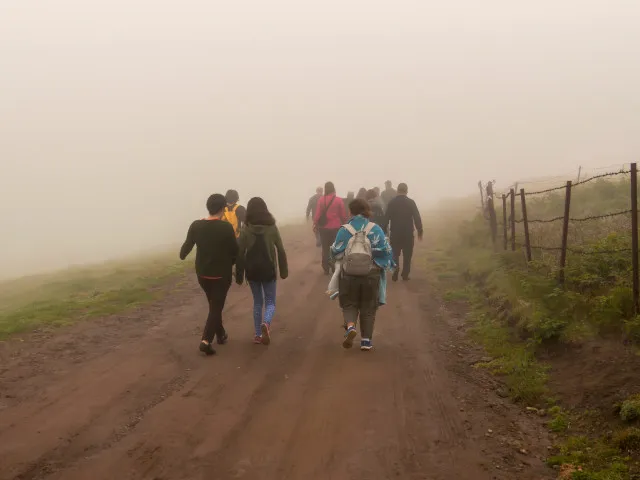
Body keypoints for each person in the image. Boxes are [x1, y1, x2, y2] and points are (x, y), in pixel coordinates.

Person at [330, 198, 395, 351]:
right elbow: (386, 251)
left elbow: (335, 251)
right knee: (368, 306)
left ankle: (351, 327)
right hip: (371, 274)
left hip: (349, 274)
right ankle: (366, 341)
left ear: (350, 211)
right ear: (367, 211)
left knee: (349, 303)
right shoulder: (376, 229)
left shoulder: (345, 229)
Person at [180, 194, 239, 355]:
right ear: (222, 208)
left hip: (202, 274)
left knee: (214, 306)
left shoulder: (196, 225)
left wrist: (184, 254)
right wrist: (232, 263)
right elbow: (235, 251)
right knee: (216, 307)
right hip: (221, 275)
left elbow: (184, 250)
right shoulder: (225, 227)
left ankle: (221, 335)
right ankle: (206, 341)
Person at [236, 197, 289, 345]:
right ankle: (266, 323)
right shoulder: (272, 227)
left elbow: (239, 253)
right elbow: (281, 249)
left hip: (252, 271)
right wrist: (284, 271)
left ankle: (258, 335)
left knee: (257, 302)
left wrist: (239, 275)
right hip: (268, 270)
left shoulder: (245, 229)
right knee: (271, 301)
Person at [384, 183, 423, 282]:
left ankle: (395, 269)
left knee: (395, 254)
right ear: (406, 191)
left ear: (397, 190)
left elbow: (386, 217)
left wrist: (384, 230)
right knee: (407, 255)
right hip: (408, 233)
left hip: (395, 232)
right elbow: (417, 217)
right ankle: (405, 274)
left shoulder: (392, 202)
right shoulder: (411, 202)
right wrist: (420, 230)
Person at [313, 181, 347, 275]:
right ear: (333, 188)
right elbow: (343, 215)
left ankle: (325, 268)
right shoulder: (339, 200)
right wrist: (345, 224)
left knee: (325, 248)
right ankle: (334, 266)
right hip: (336, 228)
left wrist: (315, 224)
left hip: (323, 228)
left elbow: (318, 214)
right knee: (335, 247)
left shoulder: (321, 200)